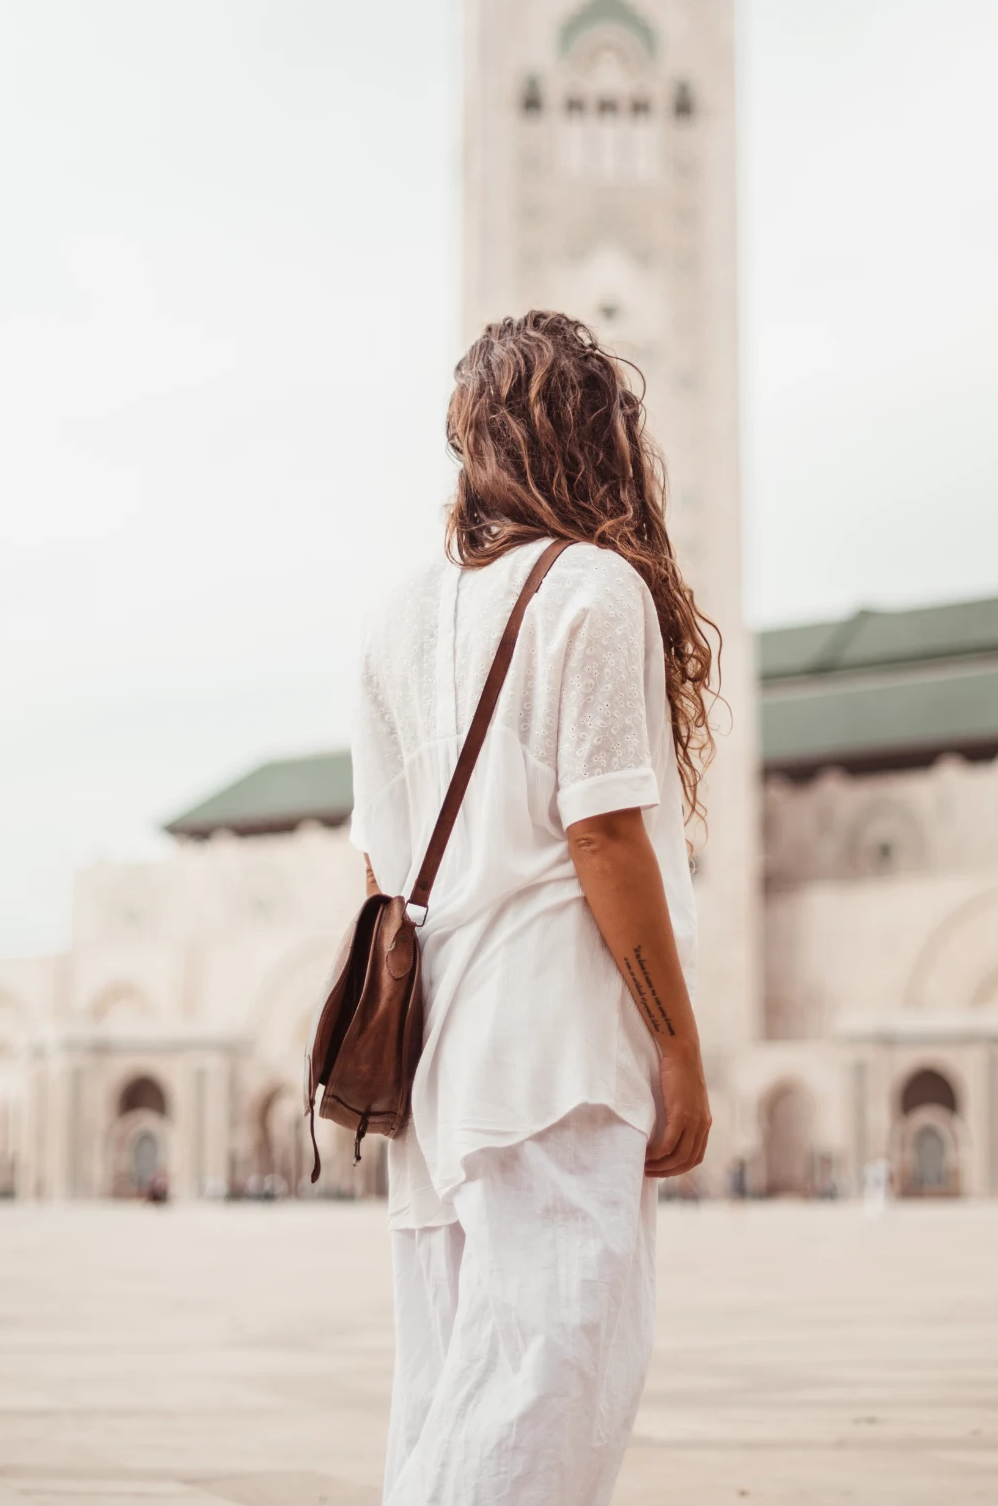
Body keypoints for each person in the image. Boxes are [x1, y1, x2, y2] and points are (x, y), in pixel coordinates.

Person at [349, 310, 715, 1506]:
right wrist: (677, 1046)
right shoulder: (592, 589)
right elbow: (603, 832)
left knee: (455, 1389)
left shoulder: (400, 615)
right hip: (554, 1056)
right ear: (593, 442)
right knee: (544, 1396)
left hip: (438, 1068)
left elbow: (379, 869)